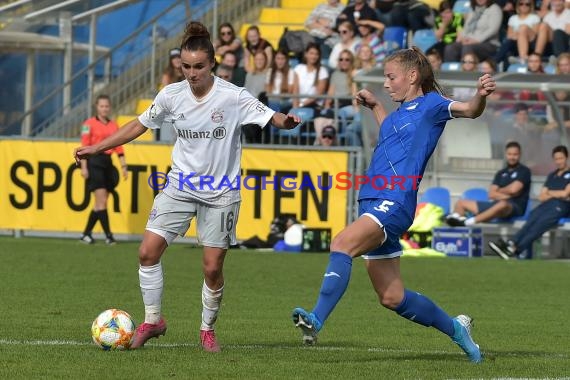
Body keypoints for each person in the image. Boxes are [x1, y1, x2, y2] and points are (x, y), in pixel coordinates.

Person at [74, 21, 301, 352]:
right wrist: (97, 147)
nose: (192, 74)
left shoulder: (233, 96)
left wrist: (287, 121)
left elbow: (271, 117)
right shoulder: (171, 95)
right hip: (179, 185)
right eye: (186, 67)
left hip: (221, 192)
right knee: (147, 251)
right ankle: (153, 320)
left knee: (212, 268)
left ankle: (207, 328)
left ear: (212, 65)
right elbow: (138, 125)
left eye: (198, 67)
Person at [291, 47, 497, 364]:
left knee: (342, 242)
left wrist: (480, 95)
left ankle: (316, 319)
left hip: (396, 199)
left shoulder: (432, 105)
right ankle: (458, 330)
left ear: (412, 76)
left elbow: (470, 109)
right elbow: (392, 136)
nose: (386, 85)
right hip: (373, 198)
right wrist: (375, 108)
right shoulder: (400, 114)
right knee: (392, 297)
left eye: (391, 77)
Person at [489, 145, 570, 260]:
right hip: (547, 205)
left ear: (566, 158)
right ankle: (511, 243)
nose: (558, 161)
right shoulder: (552, 175)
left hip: (562, 206)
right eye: (556, 159)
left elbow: (565, 194)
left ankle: (516, 249)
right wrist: (557, 193)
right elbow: (542, 197)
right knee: (531, 219)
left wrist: (550, 193)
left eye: (561, 158)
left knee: (540, 224)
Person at [79, 94, 128, 245]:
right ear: (96, 107)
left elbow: (118, 146)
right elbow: (84, 146)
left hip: (107, 162)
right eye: (102, 106)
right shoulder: (89, 123)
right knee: (101, 202)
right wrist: (84, 167)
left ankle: (86, 234)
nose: (104, 109)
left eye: (107, 106)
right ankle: (109, 236)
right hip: (94, 162)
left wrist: (123, 165)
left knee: (101, 202)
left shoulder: (113, 125)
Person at [446, 141, 531, 226]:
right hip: (495, 205)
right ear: (506, 154)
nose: (512, 157)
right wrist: (508, 194)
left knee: (502, 204)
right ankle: (455, 221)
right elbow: (491, 194)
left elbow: (513, 190)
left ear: (520, 154)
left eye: (515, 154)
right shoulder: (501, 173)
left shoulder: (524, 171)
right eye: (510, 154)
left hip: (514, 207)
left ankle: (467, 222)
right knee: (461, 203)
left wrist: (499, 190)